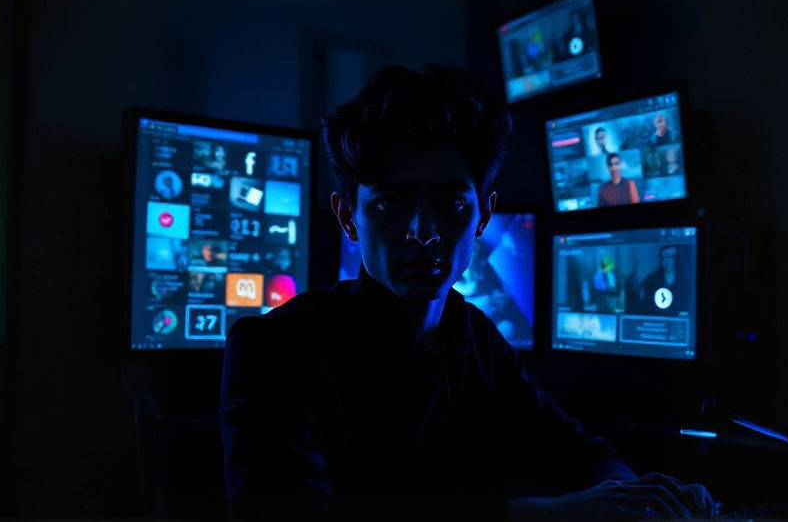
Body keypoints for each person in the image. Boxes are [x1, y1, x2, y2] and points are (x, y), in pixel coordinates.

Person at [220, 65, 714, 520]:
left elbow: (581, 451)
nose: (424, 231)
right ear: (348, 215)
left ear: (482, 215)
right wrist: (542, 516)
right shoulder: (275, 351)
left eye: (451, 203)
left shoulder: (475, 338)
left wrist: (635, 498)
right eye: (391, 203)